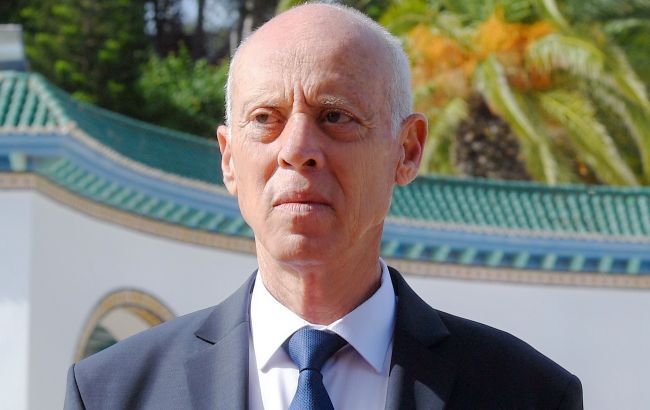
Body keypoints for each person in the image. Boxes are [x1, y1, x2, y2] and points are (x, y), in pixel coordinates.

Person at [64, 3, 583, 409]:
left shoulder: (527, 394)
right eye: (265, 118)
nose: (297, 149)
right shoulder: (113, 394)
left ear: (407, 150)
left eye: (335, 116)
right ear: (228, 159)